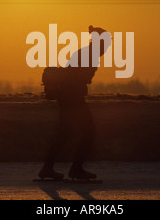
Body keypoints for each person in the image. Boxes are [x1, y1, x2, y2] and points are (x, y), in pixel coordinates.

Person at [38, 25, 112, 180]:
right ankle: (76, 169)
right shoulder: (89, 54)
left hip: (69, 96)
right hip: (72, 97)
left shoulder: (88, 53)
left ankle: (48, 168)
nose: (108, 46)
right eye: (106, 43)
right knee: (88, 131)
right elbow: (75, 77)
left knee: (66, 133)